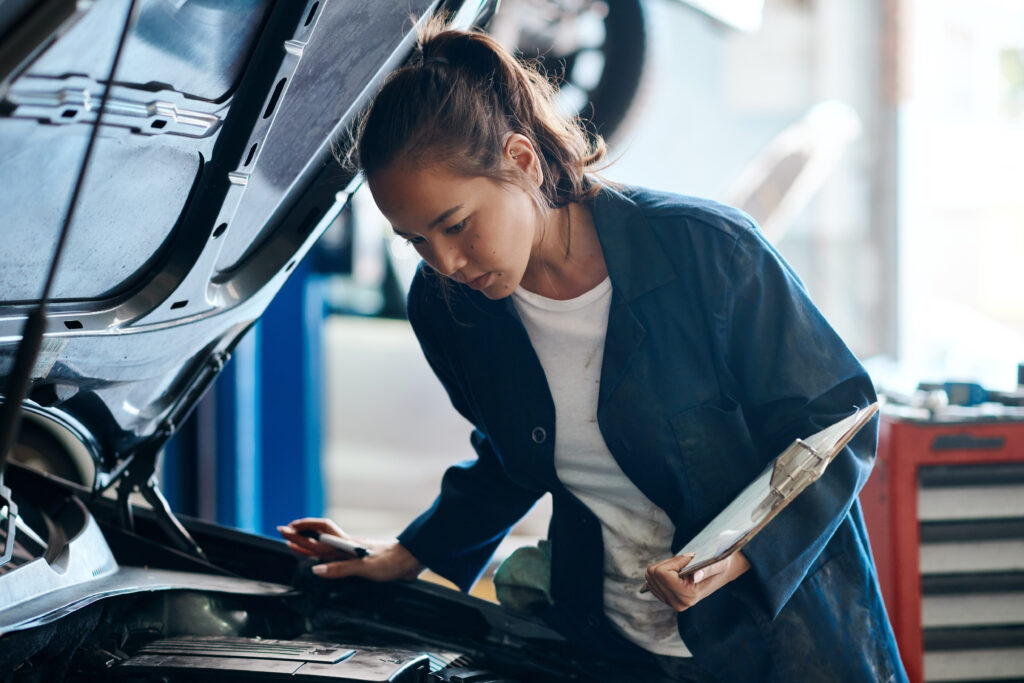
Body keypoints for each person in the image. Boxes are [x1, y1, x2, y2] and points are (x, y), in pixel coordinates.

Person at [278, 18, 907, 683]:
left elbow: (839, 420)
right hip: (612, 646)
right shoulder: (449, 311)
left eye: (456, 224)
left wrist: (740, 553)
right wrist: (410, 553)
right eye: (416, 241)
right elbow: (514, 459)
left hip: (785, 646)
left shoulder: (709, 251)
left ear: (521, 161)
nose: (447, 261)